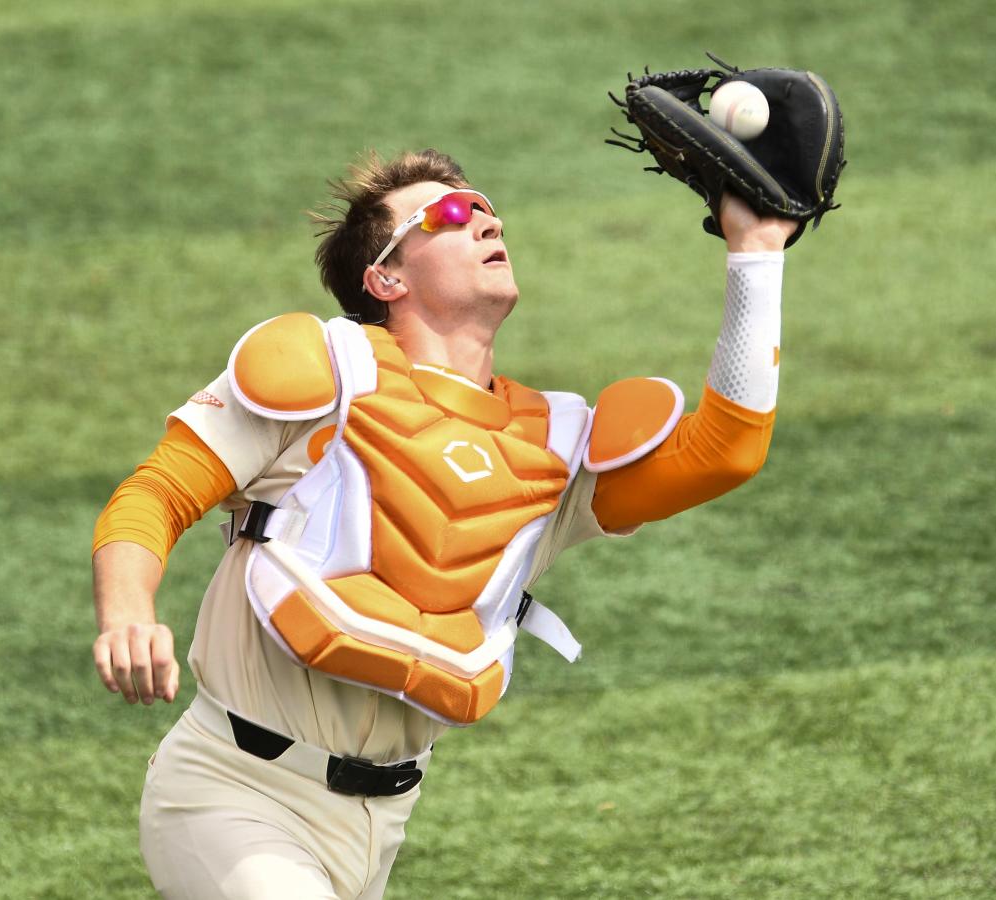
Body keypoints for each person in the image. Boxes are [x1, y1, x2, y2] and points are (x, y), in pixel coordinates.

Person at [91, 148, 798, 898]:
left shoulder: (549, 447)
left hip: (381, 823)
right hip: (232, 794)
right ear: (386, 277)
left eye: (489, 208)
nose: (487, 220)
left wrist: (754, 256)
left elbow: (724, 454)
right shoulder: (322, 376)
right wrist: (127, 616)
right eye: (454, 214)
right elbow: (153, 494)